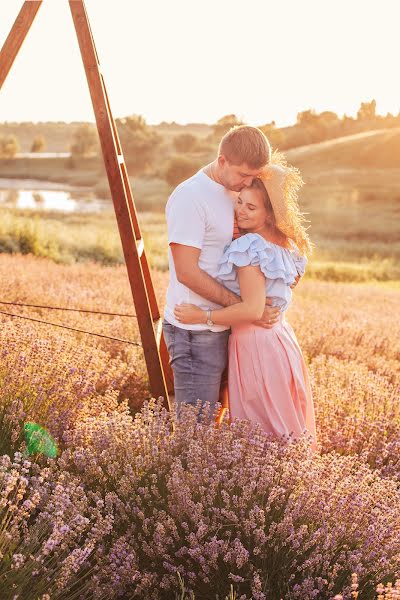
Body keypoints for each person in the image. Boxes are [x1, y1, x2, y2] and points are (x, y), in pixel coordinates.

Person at [174, 153, 318, 452]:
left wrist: (202, 315)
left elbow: (253, 310)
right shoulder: (289, 246)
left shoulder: (250, 245)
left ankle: (269, 491)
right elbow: (283, 290)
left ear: (270, 214)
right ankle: (291, 486)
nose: (240, 211)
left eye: (251, 207)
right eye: (239, 201)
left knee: (261, 431)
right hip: (281, 340)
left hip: (256, 347)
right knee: (284, 424)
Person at [162, 125, 282, 424]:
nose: (248, 182)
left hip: (229, 326)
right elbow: (187, 273)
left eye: (254, 176)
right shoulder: (191, 197)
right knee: (196, 432)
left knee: (222, 426)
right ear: (222, 160)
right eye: (243, 174)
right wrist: (245, 308)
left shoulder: (238, 191)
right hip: (195, 333)